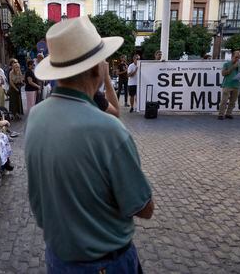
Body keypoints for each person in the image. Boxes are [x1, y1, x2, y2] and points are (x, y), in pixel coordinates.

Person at [25, 16, 154, 273]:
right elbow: (144, 208)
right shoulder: (108, 129)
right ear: (97, 69)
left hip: (58, 258)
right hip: (104, 264)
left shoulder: (36, 116)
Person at [218, 51, 240, 120]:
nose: (237, 59)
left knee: (233, 101)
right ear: (232, 56)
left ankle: (228, 113)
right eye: (236, 57)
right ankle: (221, 114)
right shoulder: (226, 64)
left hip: (237, 85)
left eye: (239, 57)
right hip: (227, 85)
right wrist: (233, 67)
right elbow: (223, 73)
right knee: (224, 101)